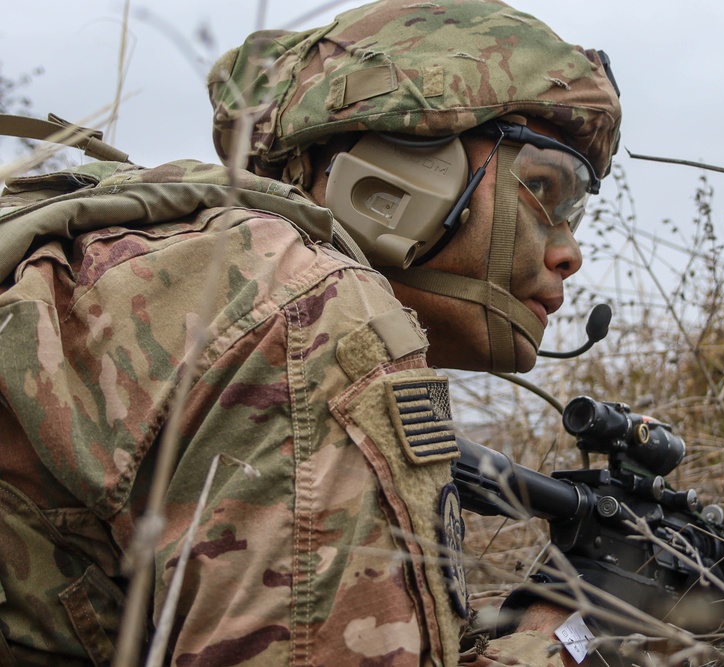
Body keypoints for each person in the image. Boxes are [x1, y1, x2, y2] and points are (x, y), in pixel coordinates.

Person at [0, 0, 622, 664]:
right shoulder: (311, 310)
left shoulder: (120, 254)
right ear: (410, 175)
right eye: (545, 191)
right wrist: (576, 632)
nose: (568, 253)